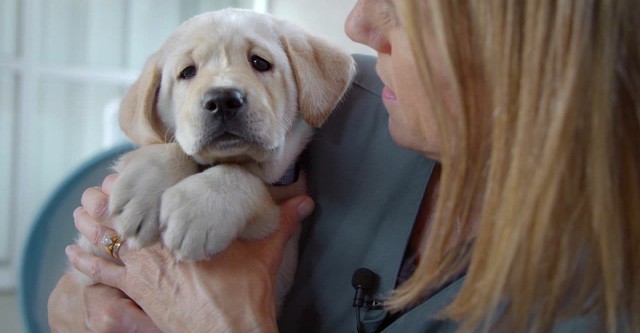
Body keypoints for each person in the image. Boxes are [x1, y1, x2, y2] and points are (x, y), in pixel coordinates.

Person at [49, 0, 639, 332]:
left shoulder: (604, 300)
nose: (359, 20)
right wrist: (86, 306)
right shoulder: (348, 101)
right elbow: (68, 302)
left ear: (529, 41)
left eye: (411, 8)